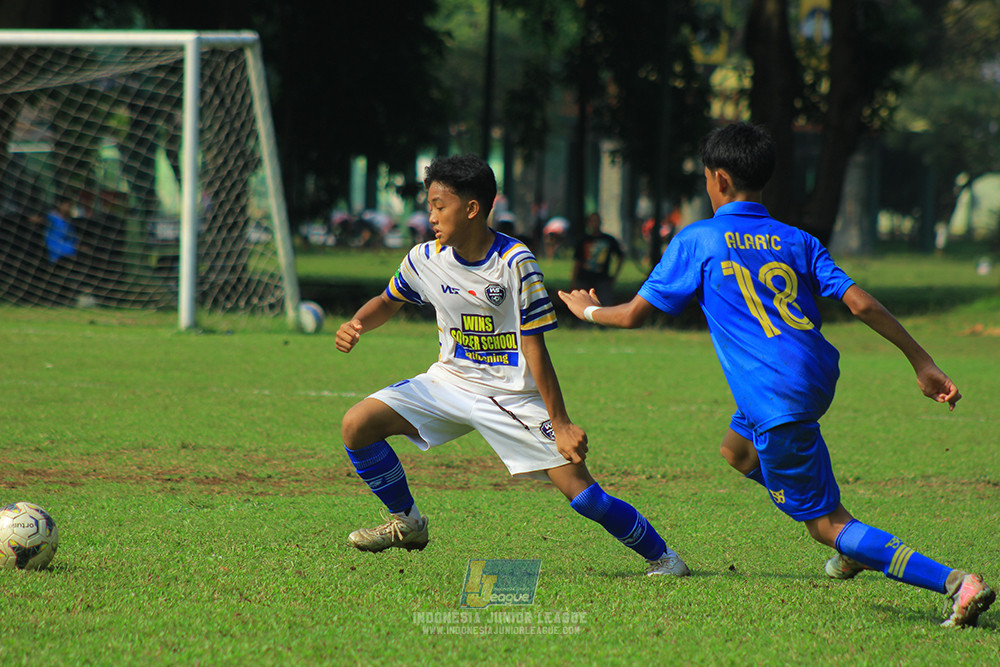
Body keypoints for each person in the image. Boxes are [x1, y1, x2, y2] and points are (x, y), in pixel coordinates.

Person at [558, 122, 994, 627]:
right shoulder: (798, 239)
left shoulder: (699, 239)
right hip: (813, 376)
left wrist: (587, 310)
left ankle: (953, 582)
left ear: (719, 179)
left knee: (825, 524)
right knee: (737, 451)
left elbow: (634, 314)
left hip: (775, 395)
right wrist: (922, 361)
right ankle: (849, 540)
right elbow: (861, 304)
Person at [336, 154, 689, 576]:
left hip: (511, 395)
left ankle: (665, 558)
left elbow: (535, 346)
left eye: (439, 205)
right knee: (357, 425)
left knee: (583, 496)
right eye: (429, 206)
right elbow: (388, 299)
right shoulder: (424, 258)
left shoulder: (515, 262)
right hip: (448, 382)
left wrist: (560, 422)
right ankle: (408, 522)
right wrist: (358, 323)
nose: (430, 216)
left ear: (472, 208)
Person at [571, 212, 624, 306]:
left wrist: (615, 275)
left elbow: (620, 257)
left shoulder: (609, 240)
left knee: (605, 305)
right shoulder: (583, 240)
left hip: (602, 279)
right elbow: (577, 261)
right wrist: (573, 280)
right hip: (584, 278)